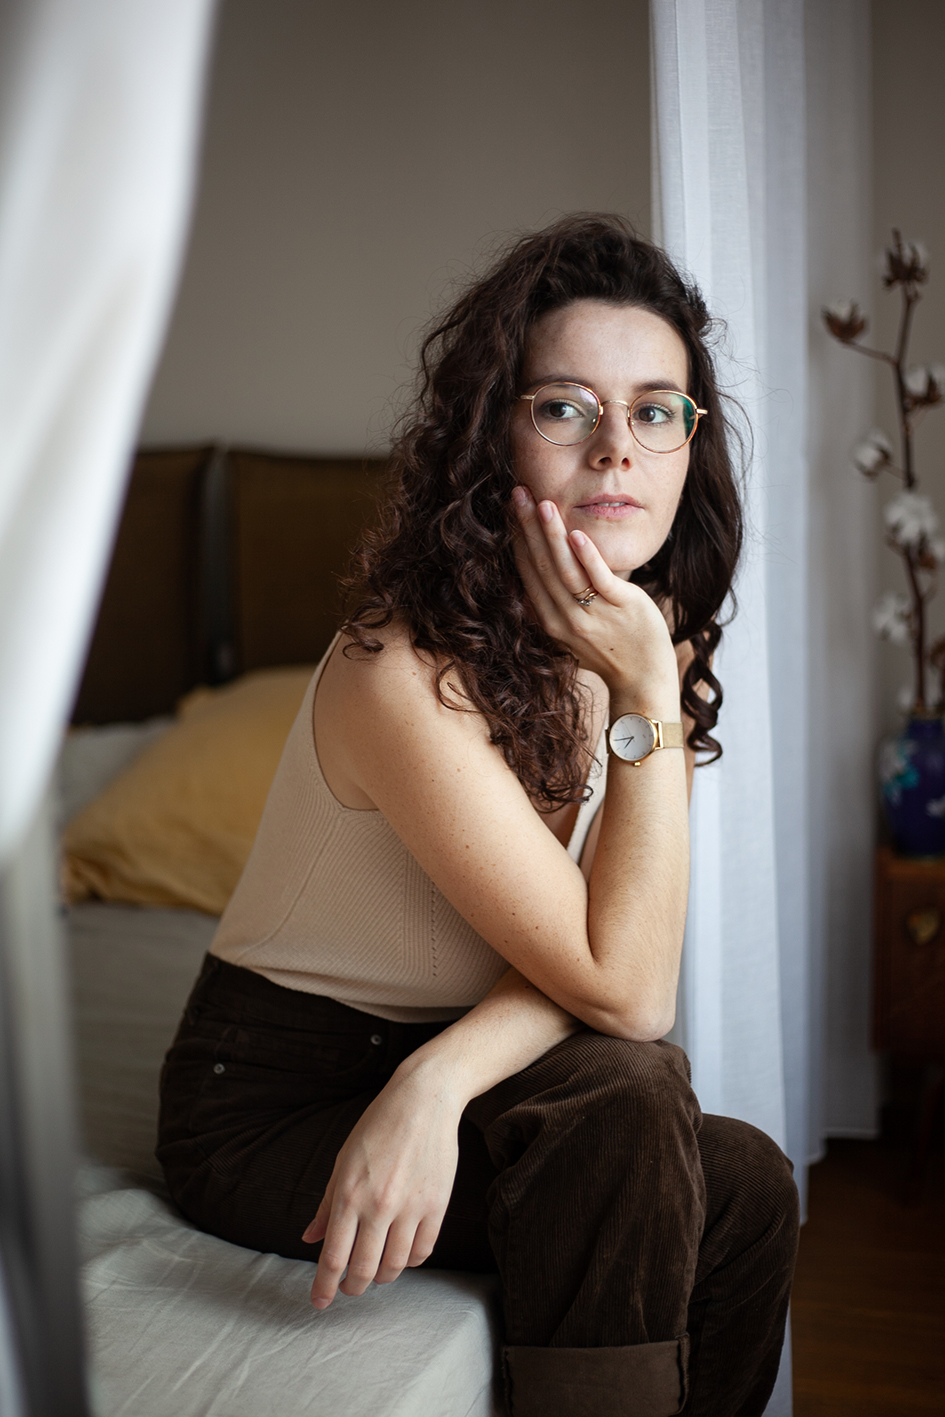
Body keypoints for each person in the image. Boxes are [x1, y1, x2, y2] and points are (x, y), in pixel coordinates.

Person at [157, 214, 799, 1417]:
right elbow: (630, 993)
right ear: (492, 432)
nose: (616, 449)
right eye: (564, 407)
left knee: (751, 1185)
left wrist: (439, 1079)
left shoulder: (645, 644)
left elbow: (619, 960)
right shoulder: (397, 670)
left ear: (691, 445)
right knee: (628, 1092)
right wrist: (648, 696)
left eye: (656, 411)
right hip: (271, 1097)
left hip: (477, 1060)